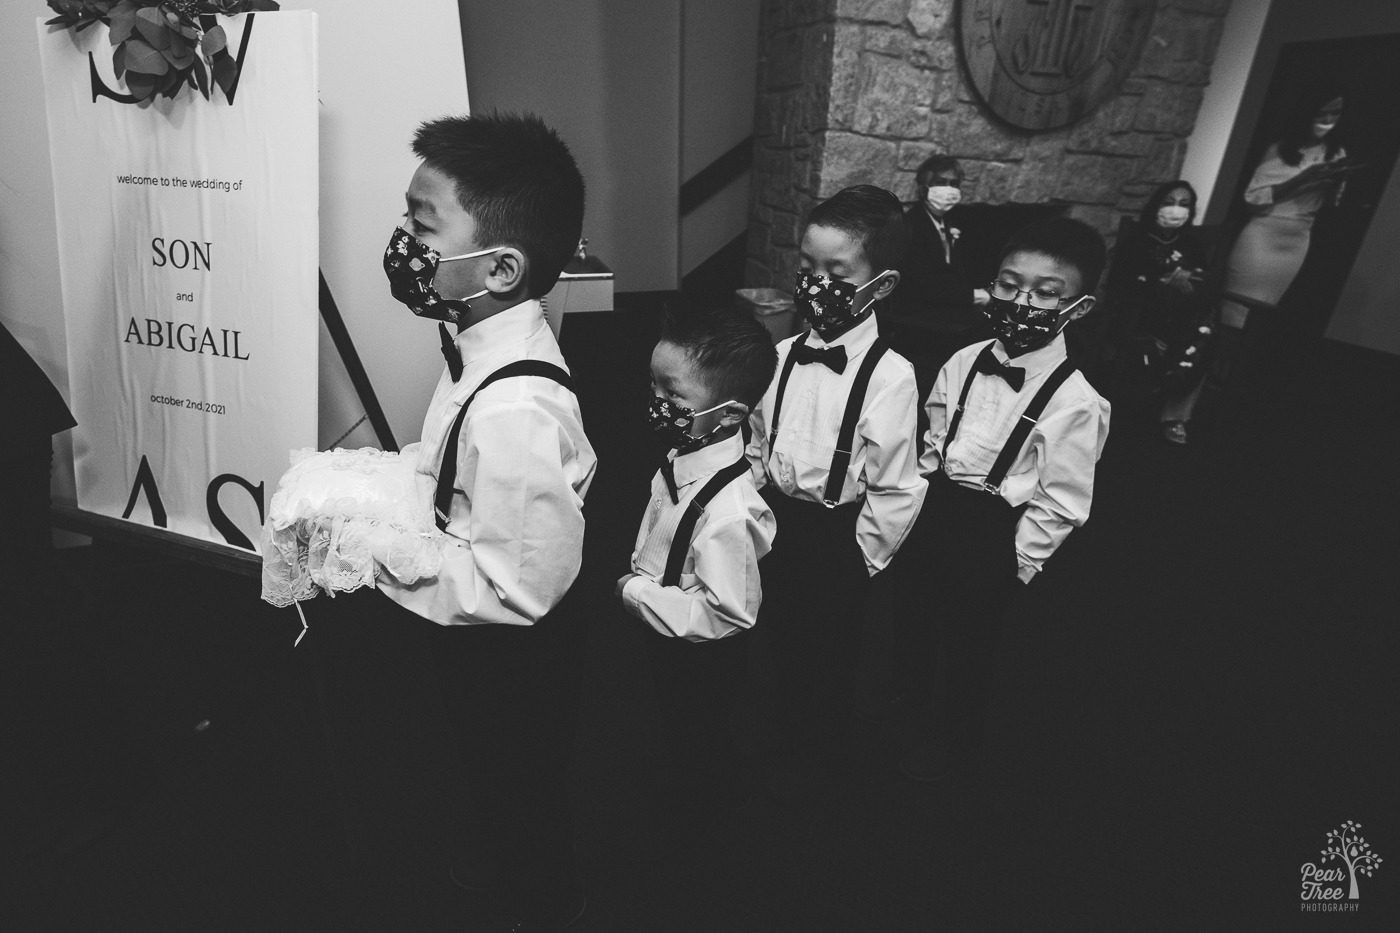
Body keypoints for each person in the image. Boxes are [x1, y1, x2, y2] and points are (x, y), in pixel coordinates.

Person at [375, 111, 595, 933]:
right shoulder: (476, 338)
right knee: (484, 760)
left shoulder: (518, 409)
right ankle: (506, 848)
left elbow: (520, 588)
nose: (403, 239)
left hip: (516, 644)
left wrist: (382, 552)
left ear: (500, 266)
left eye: (421, 225)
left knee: (522, 773)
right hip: (475, 620)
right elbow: (455, 478)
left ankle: (544, 896)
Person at [892, 217, 1111, 782]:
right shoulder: (962, 360)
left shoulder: (1078, 402)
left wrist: (1016, 566)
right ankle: (899, 718)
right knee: (908, 625)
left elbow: (1060, 501)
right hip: (937, 512)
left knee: (970, 651)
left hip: (993, 531)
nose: (1022, 301)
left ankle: (952, 747)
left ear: (1079, 307)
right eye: (1009, 285)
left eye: (1045, 292)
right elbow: (934, 443)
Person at [746, 185, 927, 796]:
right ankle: (783, 730)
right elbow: (757, 437)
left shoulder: (892, 376)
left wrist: (860, 560)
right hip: (775, 520)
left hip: (835, 534)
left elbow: (898, 485)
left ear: (881, 284)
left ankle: (822, 756)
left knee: (831, 654)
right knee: (778, 636)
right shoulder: (783, 352)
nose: (815, 282)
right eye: (807, 267)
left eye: (835, 271)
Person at [616, 303, 777, 810]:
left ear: (729, 414)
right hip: (667, 621)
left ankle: (705, 810)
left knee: (700, 730)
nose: (657, 402)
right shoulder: (683, 454)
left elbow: (727, 613)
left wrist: (636, 591)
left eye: (673, 394)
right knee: (672, 723)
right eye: (654, 386)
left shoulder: (729, 512)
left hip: (702, 649)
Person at [1217, 90, 1349, 387]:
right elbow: (1252, 199)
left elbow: (1332, 206)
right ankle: (1209, 372)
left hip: (1298, 239)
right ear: (1307, 114)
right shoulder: (1280, 150)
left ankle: (1234, 381)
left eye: (1335, 114)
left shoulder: (1336, 153)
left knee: (1263, 313)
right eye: (1322, 113)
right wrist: (1301, 180)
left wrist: (1335, 183)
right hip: (1262, 233)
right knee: (1236, 312)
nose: (1328, 121)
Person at [1106, 181, 1214, 444]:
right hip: (1142, 313)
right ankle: (1127, 412)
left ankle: (1175, 415)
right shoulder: (1138, 240)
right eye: (1170, 202)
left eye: (1184, 204)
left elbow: (1205, 283)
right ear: (1157, 205)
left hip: (1184, 316)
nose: (1176, 209)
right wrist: (1158, 282)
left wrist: (1190, 283)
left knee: (1204, 333)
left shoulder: (1192, 245)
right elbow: (1119, 283)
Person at [895, 154, 991, 315]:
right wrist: (978, 296)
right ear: (923, 187)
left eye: (954, 184)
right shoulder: (909, 225)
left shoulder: (949, 221)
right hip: (917, 313)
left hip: (947, 305)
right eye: (940, 182)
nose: (949, 189)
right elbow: (921, 285)